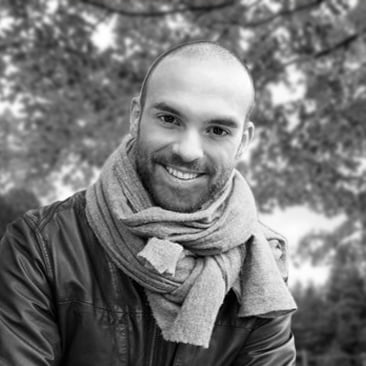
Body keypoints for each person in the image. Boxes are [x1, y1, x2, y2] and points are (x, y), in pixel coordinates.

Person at [0, 41, 297, 365]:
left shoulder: (262, 268)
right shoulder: (41, 246)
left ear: (243, 142)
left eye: (217, 129)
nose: (188, 150)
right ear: (136, 117)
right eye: (170, 119)